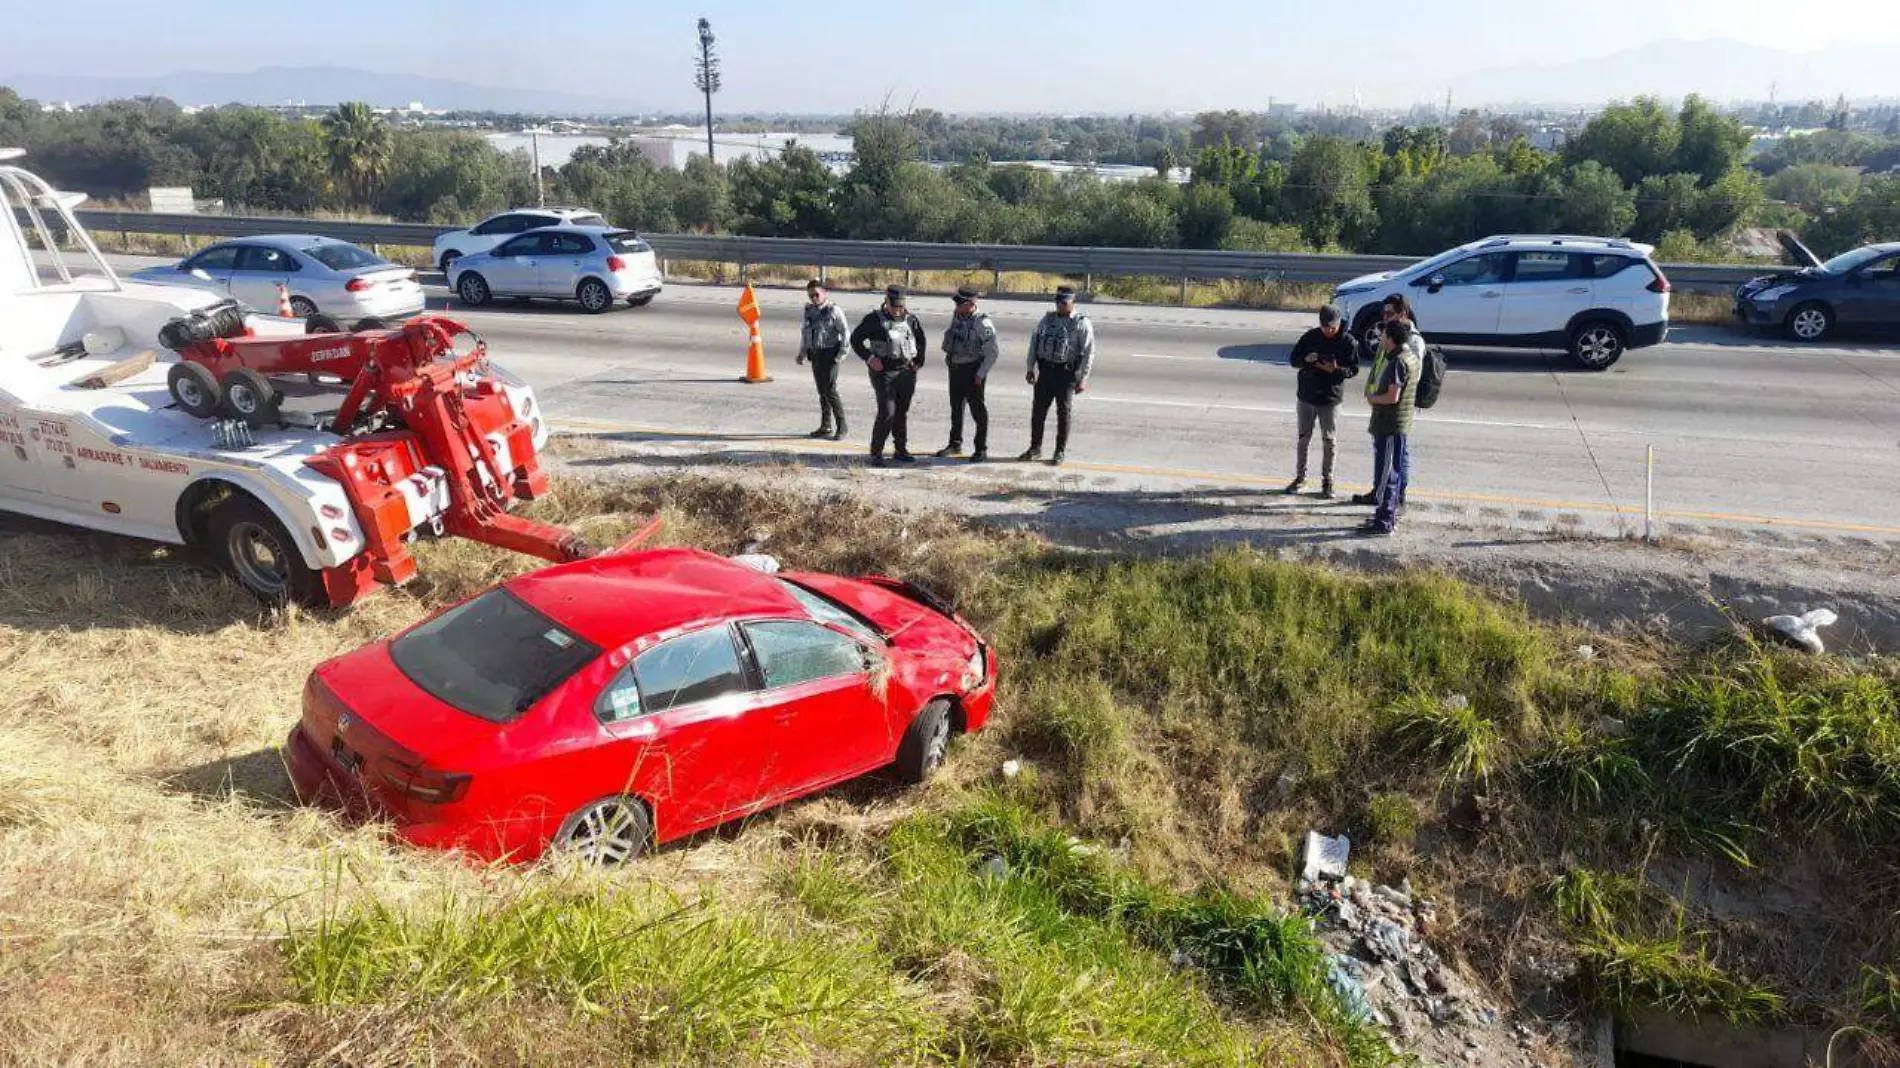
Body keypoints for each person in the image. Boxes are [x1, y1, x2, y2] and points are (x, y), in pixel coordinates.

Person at [1352, 294, 1426, 507]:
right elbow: (1379, 365)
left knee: (1398, 454)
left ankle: (1395, 496)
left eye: (1389, 313)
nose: (1384, 318)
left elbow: (1412, 375)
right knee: (1383, 452)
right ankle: (1380, 490)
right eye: (1383, 313)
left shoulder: (1412, 341)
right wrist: (1371, 390)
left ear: (1403, 314)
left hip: (1396, 406)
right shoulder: (1388, 335)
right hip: (1381, 402)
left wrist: (1385, 397)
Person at [1285, 304, 1360, 498]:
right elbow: (1294, 360)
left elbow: (1354, 369)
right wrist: (1308, 360)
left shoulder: (1347, 341)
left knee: (1329, 440)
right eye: (1325, 327)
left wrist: (1337, 370)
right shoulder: (1310, 337)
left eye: (1332, 328)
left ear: (1338, 324)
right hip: (1307, 396)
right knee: (1303, 438)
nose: (1329, 331)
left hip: (1330, 399)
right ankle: (1300, 477)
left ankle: (1328, 480)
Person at [850, 285, 928, 466]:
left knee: (901, 412)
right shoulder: (874, 320)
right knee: (887, 412)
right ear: (886, 302)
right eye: (894, 306)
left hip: (906, 371)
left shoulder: (911, 320)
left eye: (900, 306)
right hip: (884, 372)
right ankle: (876, 452)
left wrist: (919, 362)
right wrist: (870, 358)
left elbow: (921, 340)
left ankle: (900, 449)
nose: (897, 310)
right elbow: (855, 340)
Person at [1018, 285, 1095, 466]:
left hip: (1066, 374)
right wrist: (1030, 368)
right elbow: (1034, 343)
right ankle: (1035, 448)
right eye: (1058, 302)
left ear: (1072, 303)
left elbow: (1088, 352)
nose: (1060, 306)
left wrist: (1083, 378)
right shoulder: (1047, 319)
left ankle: (1059, 451)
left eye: (1064, 303)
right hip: (1045, 372)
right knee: (1038, 412)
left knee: (1063, 414)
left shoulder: (1081, 323)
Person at [1361, 317, 1423, 536]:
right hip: (1400, 424)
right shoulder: (1411, 357)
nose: (1381, 339)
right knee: (1393, 471)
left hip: (1389, 425)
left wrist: (1373, 398)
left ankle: (1385, 520)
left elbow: (1393, 396)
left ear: (1392, 339)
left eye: (1384, 335)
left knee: (1388, 474)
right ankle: (1387, 514)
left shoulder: (1398, 361)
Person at [935, 285, 999, 462]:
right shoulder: (958, 315)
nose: (956, 306)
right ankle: (955, 443)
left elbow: (992, 352)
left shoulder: (982, 323)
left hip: (973, 372)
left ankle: (981, 448)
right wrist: (949, 358)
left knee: (978, 411)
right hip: (956, 369)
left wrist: (980, 374)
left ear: (971, 303)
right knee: (956, 408)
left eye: (960, 303)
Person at [796, 280, 850, 440]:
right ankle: (826, 425)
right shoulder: (809, 311)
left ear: (824, 293)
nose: (814, 298)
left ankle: (842, 426)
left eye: (816, 294)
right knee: (822, 392)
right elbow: (805, 332)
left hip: (831, 354)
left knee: (831, 390)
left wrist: (841, 355)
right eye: (811, 295)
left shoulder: (834, 310)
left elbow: (845, 332)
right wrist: (802, 352)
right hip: (816, 354)